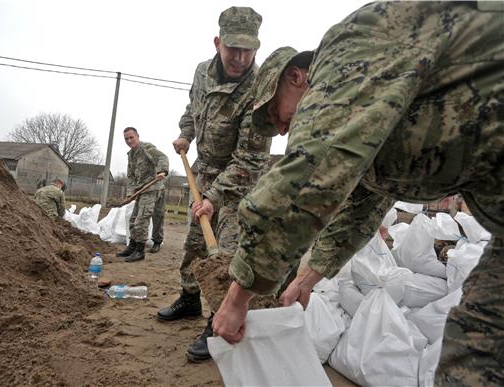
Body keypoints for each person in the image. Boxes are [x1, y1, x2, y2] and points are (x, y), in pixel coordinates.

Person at [213, 2, 503, 385]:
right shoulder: (373, 108)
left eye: (275, 115)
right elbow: (362, 205)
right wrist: (307, 279)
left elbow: (306, 177)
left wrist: (238, 297)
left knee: (473, 360)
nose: (281, 130)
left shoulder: (345, 54)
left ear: (296, 78)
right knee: (475, 355)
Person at [156, 6, 271, 363]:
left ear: (257, 47)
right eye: (232, 48)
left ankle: (218, 321)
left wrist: (214, 197)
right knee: (193, 246)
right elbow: (192, 109)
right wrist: (186, 135)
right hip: (203, 173)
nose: (239, 58)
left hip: (239, 184)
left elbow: (250, 159)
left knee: (228, 255)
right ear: (218, 42)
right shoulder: (202, 73)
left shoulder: (260, 90)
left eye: (248, 50)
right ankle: (190, 299)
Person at [116, 127, 169, 262]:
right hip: (141, 190)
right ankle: (132, 246)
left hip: (152, 188)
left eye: (131, 137)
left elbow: (162, 157)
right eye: (126, 139)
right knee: (133, 219)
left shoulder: (146, 148)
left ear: (137, 136)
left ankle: (140, 251)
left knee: (142, 219)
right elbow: (131, 176)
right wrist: (129, 194)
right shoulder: (131, 155)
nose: (129, 141)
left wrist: (162, 171)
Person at [148, 183, 166, 253]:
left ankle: (157, 241)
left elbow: (163, 173)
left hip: (157, 187)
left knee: (158, 214)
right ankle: (136, 241)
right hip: (142, 186)